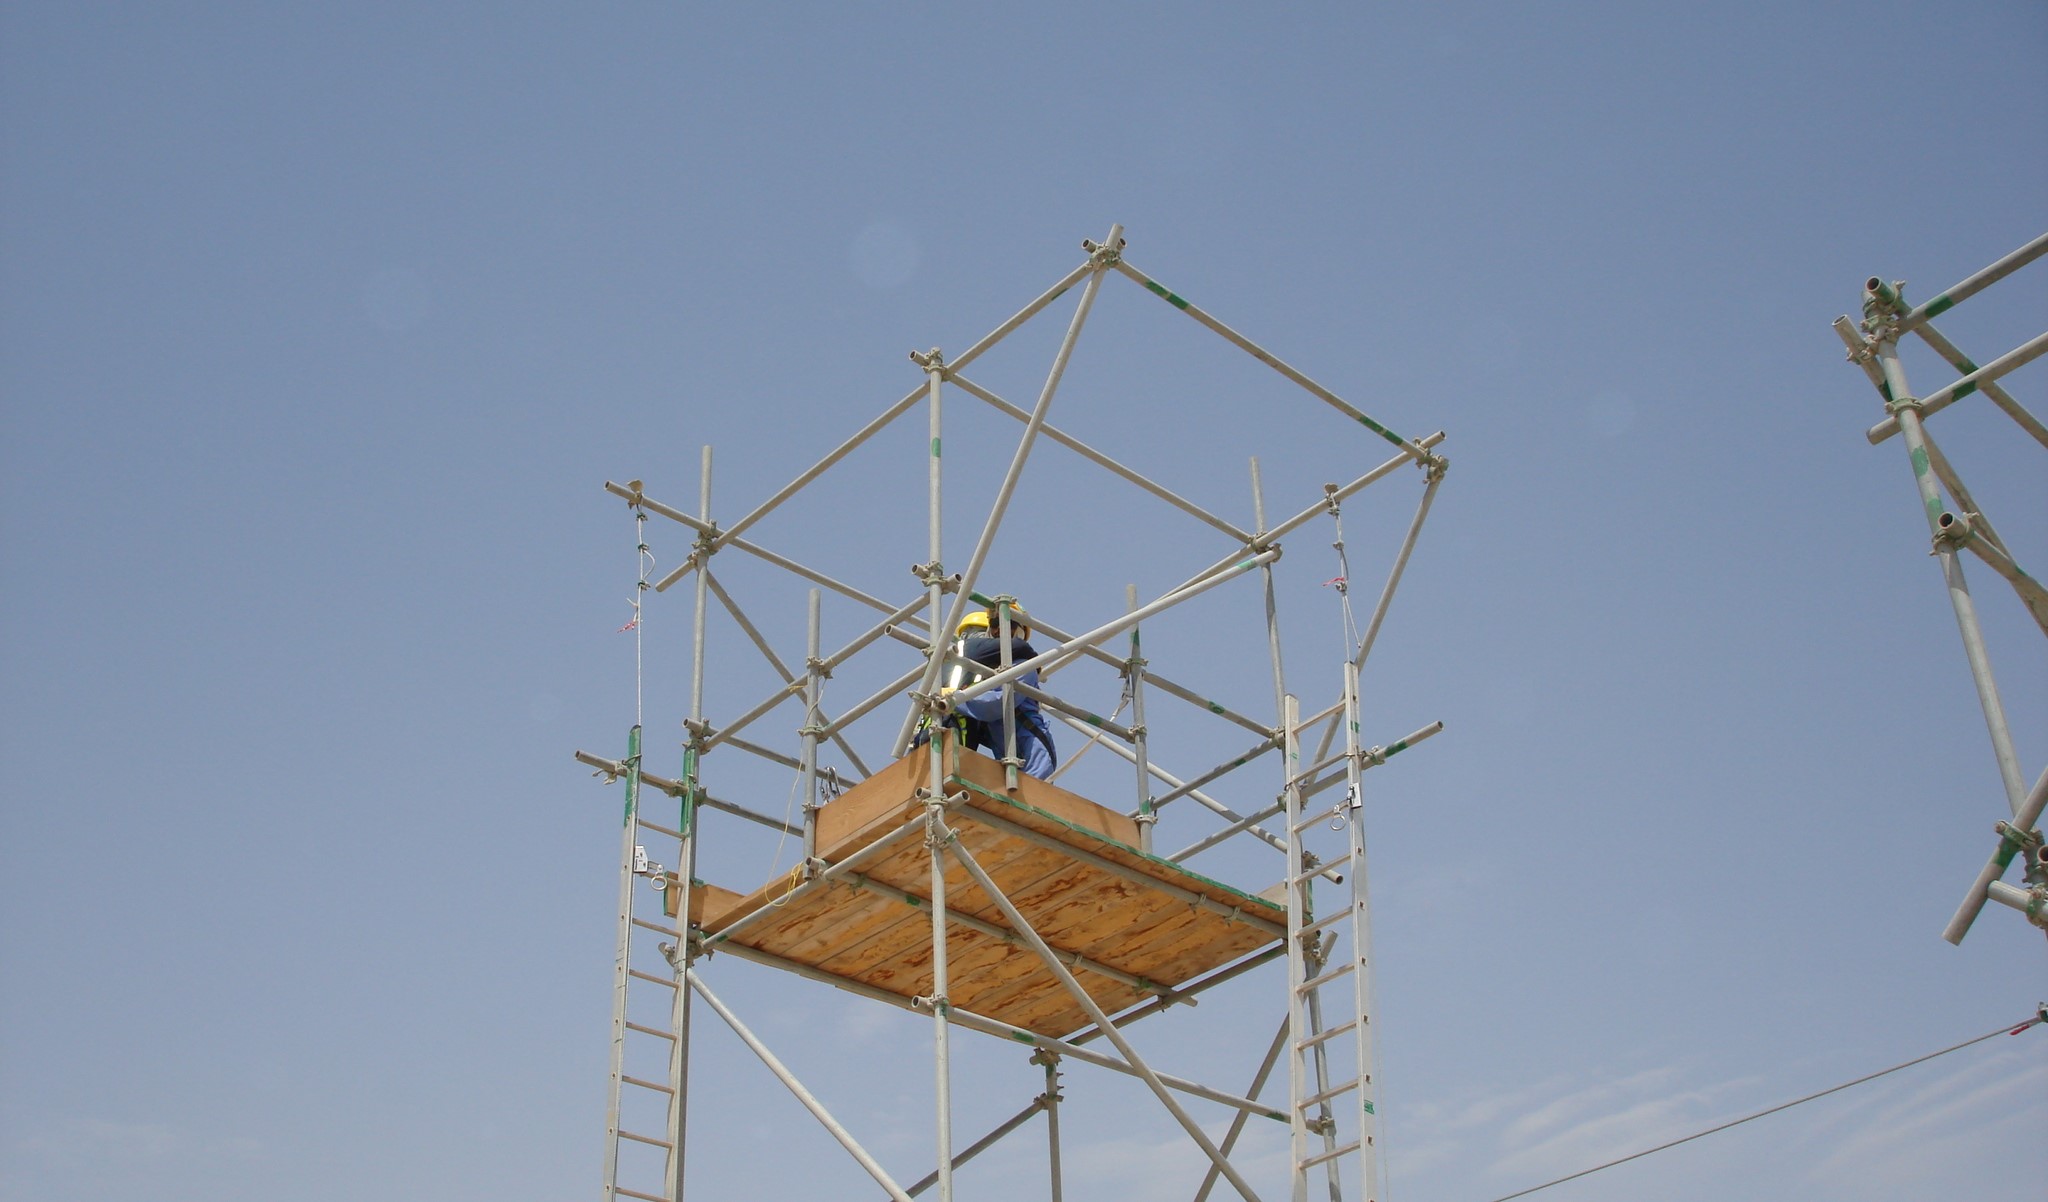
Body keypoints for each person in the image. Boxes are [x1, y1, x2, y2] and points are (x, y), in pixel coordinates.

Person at [913, 604, 1058, 779]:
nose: (999, 630)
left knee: (1032, 789)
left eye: (1009, 625)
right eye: (994, 624)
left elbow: (997, 703)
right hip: (1010, 756)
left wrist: (955, 700)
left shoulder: (1023, 666)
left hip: (1032, 749)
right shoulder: (985, 671)